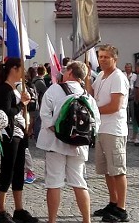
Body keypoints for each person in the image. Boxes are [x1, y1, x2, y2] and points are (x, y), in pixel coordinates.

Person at [38, 61, 100, 223]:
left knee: (54, 183)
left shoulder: (54, 89)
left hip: (55, 144)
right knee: (79, 182)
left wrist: (60, 133)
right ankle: (86, 220)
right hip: (78, 145)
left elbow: (45, 116)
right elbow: (95, 123)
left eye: (66, 70)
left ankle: (52, 220)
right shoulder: (87, 96)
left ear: (70, 72)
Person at [0, 57, 38, 223]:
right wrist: (21, 104)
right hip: (9, 135)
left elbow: (21, 108)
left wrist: (25, 102)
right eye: (21, 69)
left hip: (20, 134)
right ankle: (1, 211)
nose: (23, 73)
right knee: (7, 171)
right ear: (14, 69)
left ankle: (19, 209)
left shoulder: (14, 88)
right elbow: (6, 112)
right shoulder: (5, 89)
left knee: (19, 171)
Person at [90, 45, 129, 222]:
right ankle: (113, 202)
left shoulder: (118, 77)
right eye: (101, 56)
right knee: (107, 170)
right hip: (101, 128)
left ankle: (122, 208)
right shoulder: (100, 75)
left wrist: (93, 111)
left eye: (106, 57)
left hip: (114, 129)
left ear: (115, 58)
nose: (102, 59)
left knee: (118, 170)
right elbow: (92, 94)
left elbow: (115, 106)